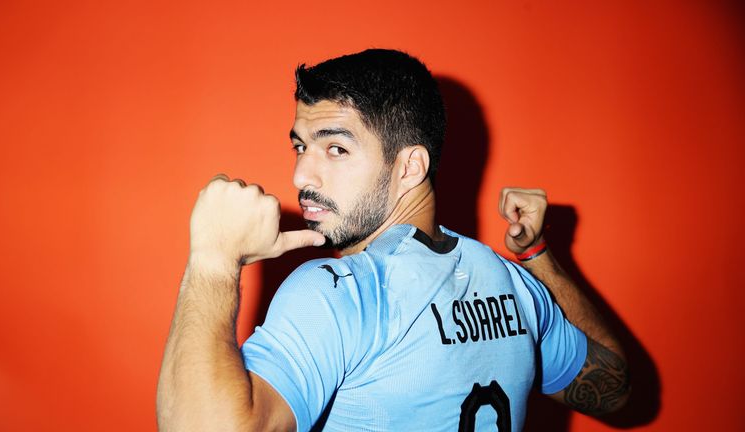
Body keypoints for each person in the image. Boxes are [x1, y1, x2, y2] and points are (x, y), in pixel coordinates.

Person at [156, 49, 630, 432]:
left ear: (409, 167)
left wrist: (214, 257)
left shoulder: (339, 292)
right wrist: (535, 255)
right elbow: (614, 384)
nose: (301, 174)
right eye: (301, 146)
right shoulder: (510, 281)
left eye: (335, 148)